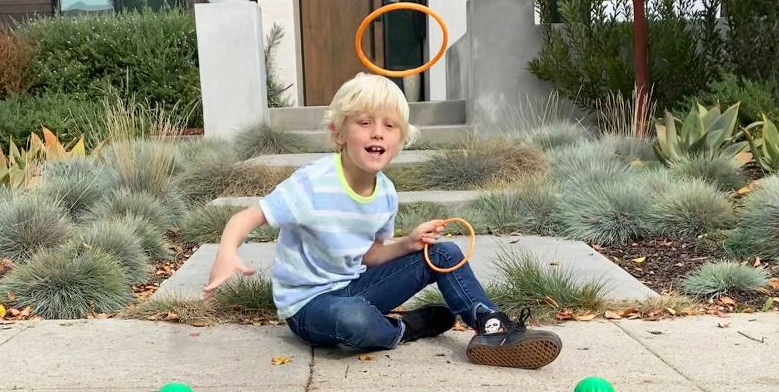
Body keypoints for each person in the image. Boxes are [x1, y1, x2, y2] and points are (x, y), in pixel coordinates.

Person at [203, 73, 562, 369]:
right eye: (365, 123)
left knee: (445, 252)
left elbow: (370, 256)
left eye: (389, 126)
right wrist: (227, 252)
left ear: (398, 140)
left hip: (357, 286)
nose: (378, 132)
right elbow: (246, 216)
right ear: (339, 134)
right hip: (309, 306)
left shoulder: (386, 193)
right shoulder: (313, 184)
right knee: (352, 319)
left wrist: (409, 245)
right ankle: (403, 328)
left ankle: (491, 326)